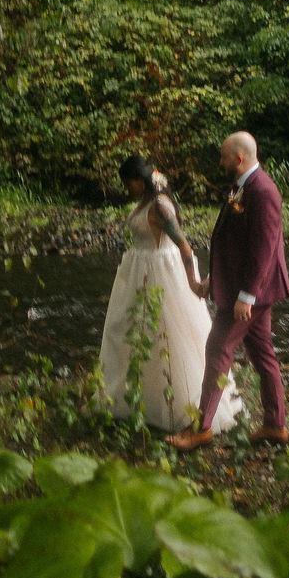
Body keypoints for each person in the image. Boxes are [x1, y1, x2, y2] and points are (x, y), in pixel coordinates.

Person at [97, 154, 242, 434]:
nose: (127, 189)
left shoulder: (161, 206)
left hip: (159, 271)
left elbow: (184, 246)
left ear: (139, 180)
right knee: (129, 330)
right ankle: (135, 397)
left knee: (164, 333)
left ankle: (175, 404)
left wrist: (193, 283)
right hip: (138, 269)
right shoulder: (146, 201)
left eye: (129, 183)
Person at [170, 131, 289, 450]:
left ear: (239, 158)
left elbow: (263, 250)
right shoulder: (242, 187)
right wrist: (215, 278)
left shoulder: (263, 191)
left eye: (224, 156)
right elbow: (233, 242)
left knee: (217, 350)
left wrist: (246, 297)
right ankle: (275, 425)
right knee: (262, 354)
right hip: (247, 288)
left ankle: (201, 428)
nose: (220, 162)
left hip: (250, 293)